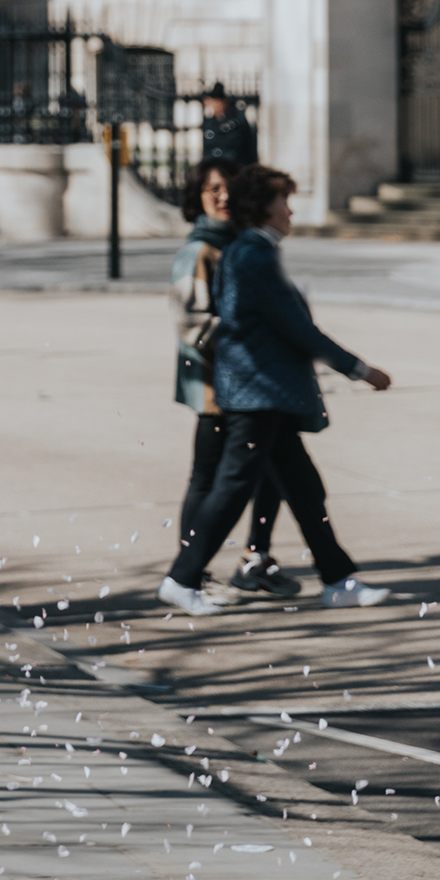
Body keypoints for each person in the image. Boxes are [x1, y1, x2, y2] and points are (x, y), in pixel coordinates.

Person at [160, 164, 392, 615]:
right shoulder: (253, 254)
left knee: (304, 488)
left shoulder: (247, 251)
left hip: (264, 392)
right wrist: (360, 369)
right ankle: (182, 579)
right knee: (230, 488)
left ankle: (338, 579)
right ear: (262, 208)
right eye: (283, 201)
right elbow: (297, 329)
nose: (290, 210)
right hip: (257, 392)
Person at [170, 164, 291, 595]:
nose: (222, 197)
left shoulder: (242, 244)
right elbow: (192, 323)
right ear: (196, 197)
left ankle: (254, 557)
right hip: (217, 388)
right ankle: (189, 569)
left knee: (273, 476)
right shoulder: (200, 250)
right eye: (211, 189)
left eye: (227, 189)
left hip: (254, 386)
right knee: (208, 479)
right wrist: (254, 339)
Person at [199, 83, 259, 173]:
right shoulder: (210, 122)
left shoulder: (236, 120)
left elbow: (242, 146)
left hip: (234, 167)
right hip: (217, 167)